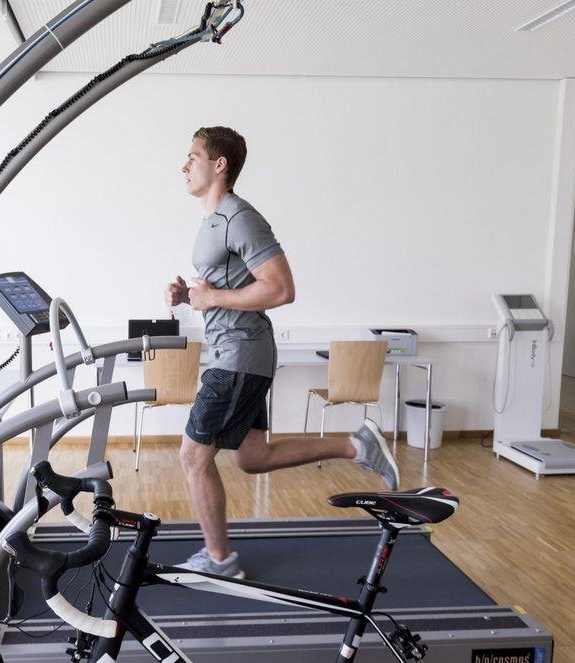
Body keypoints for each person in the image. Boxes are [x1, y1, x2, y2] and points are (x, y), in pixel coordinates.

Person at [164, 126, 399, 579]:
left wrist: (211, 299)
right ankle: (356, 444)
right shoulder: (213, 222)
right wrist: (188, 296)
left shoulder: (240, 217)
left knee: (193, 457)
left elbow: (280, 288)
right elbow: (228, 287)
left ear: (219, 165)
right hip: (235, 353)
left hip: (238, 355)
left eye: (193, 156)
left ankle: (219, 560)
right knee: (251, 457)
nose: (184, 165)